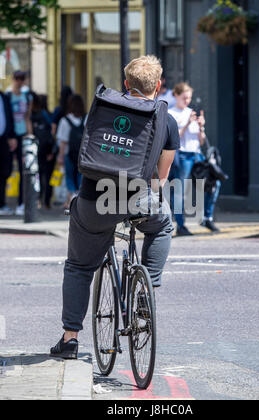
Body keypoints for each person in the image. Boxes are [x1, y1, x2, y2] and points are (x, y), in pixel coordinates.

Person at [50, 55, 180, 359]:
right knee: (163, 224)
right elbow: (161, 179)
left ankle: (70, 339)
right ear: (159, 86)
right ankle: (146, 290)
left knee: (80, 266)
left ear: (126, 84)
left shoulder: (102, 111)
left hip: (95, 200)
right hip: (138, 198)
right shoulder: (167, 120)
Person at [168, 82, 206, 236]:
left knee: (212, 183)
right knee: (180, 191)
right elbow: (175, 138)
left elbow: (202, 141)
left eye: (189, 98)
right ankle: (180, 224)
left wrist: (201, 127)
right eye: (184, 97)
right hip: (182, 155)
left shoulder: (192, 112)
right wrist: (187, 123)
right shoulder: (171, 113)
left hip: (196, 154)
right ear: (176, 95)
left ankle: (207, 217)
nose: (187, 101)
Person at [6, 70, 33, 216]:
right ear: (13, 79)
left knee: (25, 170)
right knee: (7, 169)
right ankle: (5, 202)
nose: (19, 81)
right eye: (17, 78)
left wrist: (30, 136)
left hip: (22, 135)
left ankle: (22, 202)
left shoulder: (27, 96)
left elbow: (27, 117)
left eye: (22, 78)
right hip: (10, 136)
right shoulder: (7, 95)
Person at [56, 94, 85, 209]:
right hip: (82, 154)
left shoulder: (65, 120)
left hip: (69, 153)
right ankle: (79, 197)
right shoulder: (86, 118)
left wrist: (60, 156)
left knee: (69, 176)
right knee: (80, 175)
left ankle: (71, 198)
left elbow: (63, 141)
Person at [31, 93, 56, 209]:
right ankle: (46, 201)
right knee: (48, 176)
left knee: (38, 176)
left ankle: (39, 199)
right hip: (47, 149)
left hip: (37, 149)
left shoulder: (33, 117)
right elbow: (52, 133)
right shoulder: (47, 115)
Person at [0, 91, 17, 216]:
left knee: (4, 171)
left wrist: (11, 136)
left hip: (3, 140)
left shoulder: (4, 97)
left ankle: (1, 203)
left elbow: (9, 118)